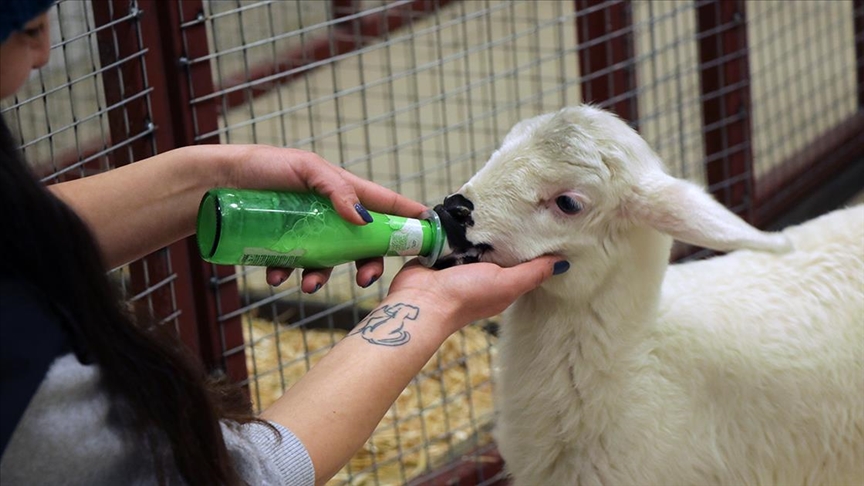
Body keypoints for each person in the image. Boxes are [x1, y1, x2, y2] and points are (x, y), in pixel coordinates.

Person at [0, 3, 569, 485]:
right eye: (26, 28)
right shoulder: (25, 376)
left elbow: (18, 233)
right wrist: (430, 307)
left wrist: (222, 172)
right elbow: (241, 474)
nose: (48, 52)